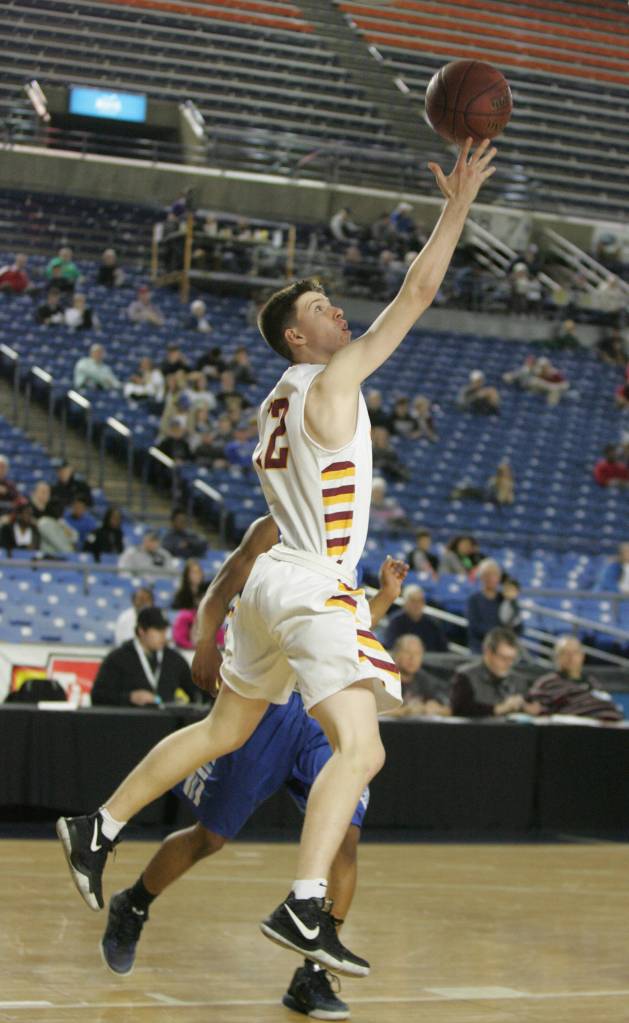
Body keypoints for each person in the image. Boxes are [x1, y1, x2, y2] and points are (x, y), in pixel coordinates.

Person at [56, 138, 497, 974]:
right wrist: (459, 205)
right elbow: (420, 291)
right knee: (362, 748)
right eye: (326, 309)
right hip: (310, 584)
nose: (341, 315)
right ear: (298, 336)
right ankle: (302, 905)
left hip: (272, 581)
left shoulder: (276, 401)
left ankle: (98, 825)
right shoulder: (330, 383)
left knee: (226, 725)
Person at [99, 526, 406, 1020]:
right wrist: (205, 640)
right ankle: (133, 904)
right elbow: (224, 584)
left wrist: (385, 598)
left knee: (345, 841)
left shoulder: (343, 531)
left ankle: (311, 974)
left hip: (320, 713)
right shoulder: (278, 522)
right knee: (210, 837)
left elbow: (342, 628)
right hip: (266, 707)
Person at [91, 607, 198, 708]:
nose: (163, 635)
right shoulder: (117, 659)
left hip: (167, 724)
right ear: (142, 631)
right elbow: (98, 696)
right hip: (130, 723)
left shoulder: (174, 660)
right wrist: (129, 698)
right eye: (158, 630)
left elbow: (196, 693)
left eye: (165, 630)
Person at [527, 636, 623, 722]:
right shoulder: (546, 683)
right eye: (564, 653)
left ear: (582, 656)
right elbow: (537, 710)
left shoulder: (593, 683)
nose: (571, 657)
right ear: (556, 657)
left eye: (575, 653)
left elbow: (606, 705)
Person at [450, 627, 539, 718]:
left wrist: (528, 709)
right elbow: (460, 710)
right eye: (504, 658)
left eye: (513, 659)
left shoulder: (518, 680)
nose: (509, 664)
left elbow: (530, 706)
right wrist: (500, 708)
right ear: (488, 653)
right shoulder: (466, 676)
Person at [388, 634, 451, 716]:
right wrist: (405, 711)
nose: (412, 658)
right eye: (407, 652)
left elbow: (449, 708)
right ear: (396, 655)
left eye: (417, 653)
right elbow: (375, 712)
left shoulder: (426, 680)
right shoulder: (384, 679)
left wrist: (436, 709)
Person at [383, 584, 448, 652]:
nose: (417, 604)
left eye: (420, 600)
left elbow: (443, 649)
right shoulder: (395, 621)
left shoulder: (433, 623)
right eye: (413, 600)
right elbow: (390, 647)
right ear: (405, 602)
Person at [466, 558, 503, 652]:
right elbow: (474, 627)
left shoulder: (504, 599)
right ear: (481, 577)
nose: (491, 578)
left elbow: (516, 625)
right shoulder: (474, 599)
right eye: (487, 575)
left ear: (499, 577)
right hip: (480, 647)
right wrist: (499, 634)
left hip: (502, 647)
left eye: (494, 574)